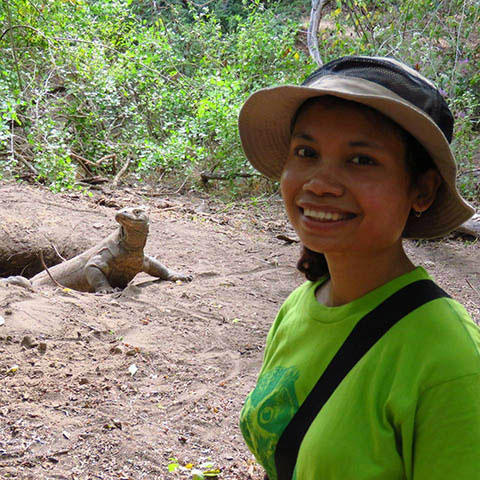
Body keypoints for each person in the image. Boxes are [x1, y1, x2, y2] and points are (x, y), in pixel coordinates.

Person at [237, 56, 480, 480]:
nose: (319, 183)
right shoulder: (300, 306)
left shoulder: (452, 362)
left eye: (361, 160)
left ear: (421, 190)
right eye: (306, 152)